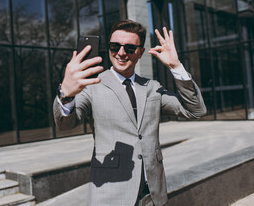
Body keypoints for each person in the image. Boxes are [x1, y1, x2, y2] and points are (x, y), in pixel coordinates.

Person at [53, 19, 206, 206]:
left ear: (140, 52)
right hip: (110, 195)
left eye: (129, 48)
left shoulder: (152, 87)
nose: (121, 53)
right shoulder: (92, 86)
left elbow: (196, 110)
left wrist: (176, 67)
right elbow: (65, 124)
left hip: (153, 195)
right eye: (114, 46)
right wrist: (66, 95)